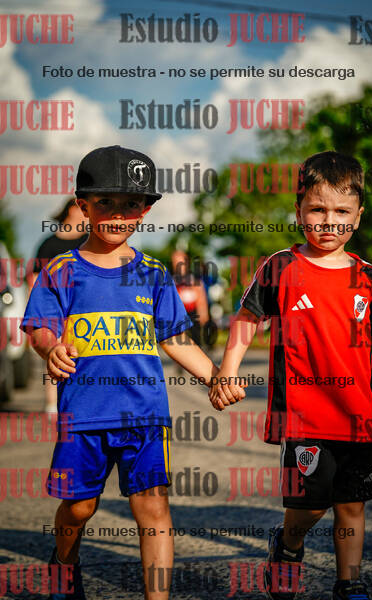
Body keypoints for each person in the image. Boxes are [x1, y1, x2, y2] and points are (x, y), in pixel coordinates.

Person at [21, 145, 218, 600]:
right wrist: (50, 348)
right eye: (105, 201)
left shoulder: (153, 273)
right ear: (83, 205)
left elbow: (175, 339)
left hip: (145, 415)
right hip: (84, 416)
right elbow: (39, 328)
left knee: (154, 509)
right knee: (79, 507)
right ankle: (64, 561)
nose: (117, 213)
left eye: (131, 203)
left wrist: (216, 377)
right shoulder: (61, 270)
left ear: (145, 209)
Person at [209, 151, 372, 600]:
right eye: (317, 209)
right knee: (310, 507)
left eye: (342, 212)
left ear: (358, 216)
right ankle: (288, 544)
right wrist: (227, 372)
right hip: (304, 417)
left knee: (352, 505)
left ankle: (349, 583)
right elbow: (247, 319)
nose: (329, 221)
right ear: (298, 211)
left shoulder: (368, 278)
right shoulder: (281, 267)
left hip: (358, 416)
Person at [27, 198, 88, 413]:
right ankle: (52, 404)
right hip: (54, 307)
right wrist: (35, 309)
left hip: (81, 308)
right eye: (83, 210)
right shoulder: (48, 244)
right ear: (71, 210)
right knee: (54, 351)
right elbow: (35, 277)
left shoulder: (89, 242)